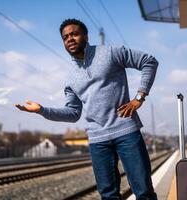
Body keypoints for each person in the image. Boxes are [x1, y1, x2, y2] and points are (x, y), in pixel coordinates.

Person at [16, 18, 158, 200]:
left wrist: (139, 98)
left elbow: (149, 61)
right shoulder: (70, 78)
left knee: (144, 191)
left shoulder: (110, 52)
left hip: (126, 133)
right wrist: (41, 110)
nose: (70, 39)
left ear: (85, 36)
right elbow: (73, 114)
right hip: (98, 140)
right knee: (108, 195)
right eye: (65, 37)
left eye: (74, 34)